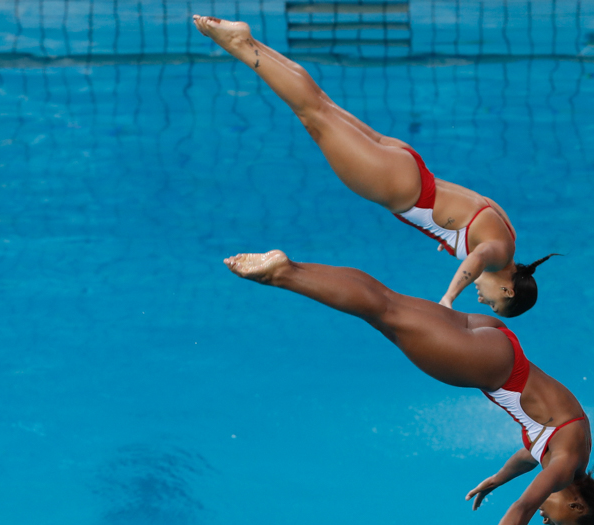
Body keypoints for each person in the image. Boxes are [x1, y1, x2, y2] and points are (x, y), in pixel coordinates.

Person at [223, 250, 594, 525]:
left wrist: (498, 478)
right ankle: (284, 272)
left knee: (387, 305)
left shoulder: (572, 454)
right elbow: (521, 510)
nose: (546, 521)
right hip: (489, 367)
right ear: (577, 506)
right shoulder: (566, 463)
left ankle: (294, 269)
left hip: (497, 341)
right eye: (556, 523)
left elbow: (530, 453)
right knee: (385, 314)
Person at [195, 14, 558, 316]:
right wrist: (449, 298)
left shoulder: (509, 235)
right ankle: (241, 45)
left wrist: (449, 236)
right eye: (493, 303)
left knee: (321, 105)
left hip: (409, 166)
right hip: (401, 189)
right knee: (313, 115)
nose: (483, 300)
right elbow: (476, 260)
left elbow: (474, 213)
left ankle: (248, 43)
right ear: (508, 291)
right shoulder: (498, 257)